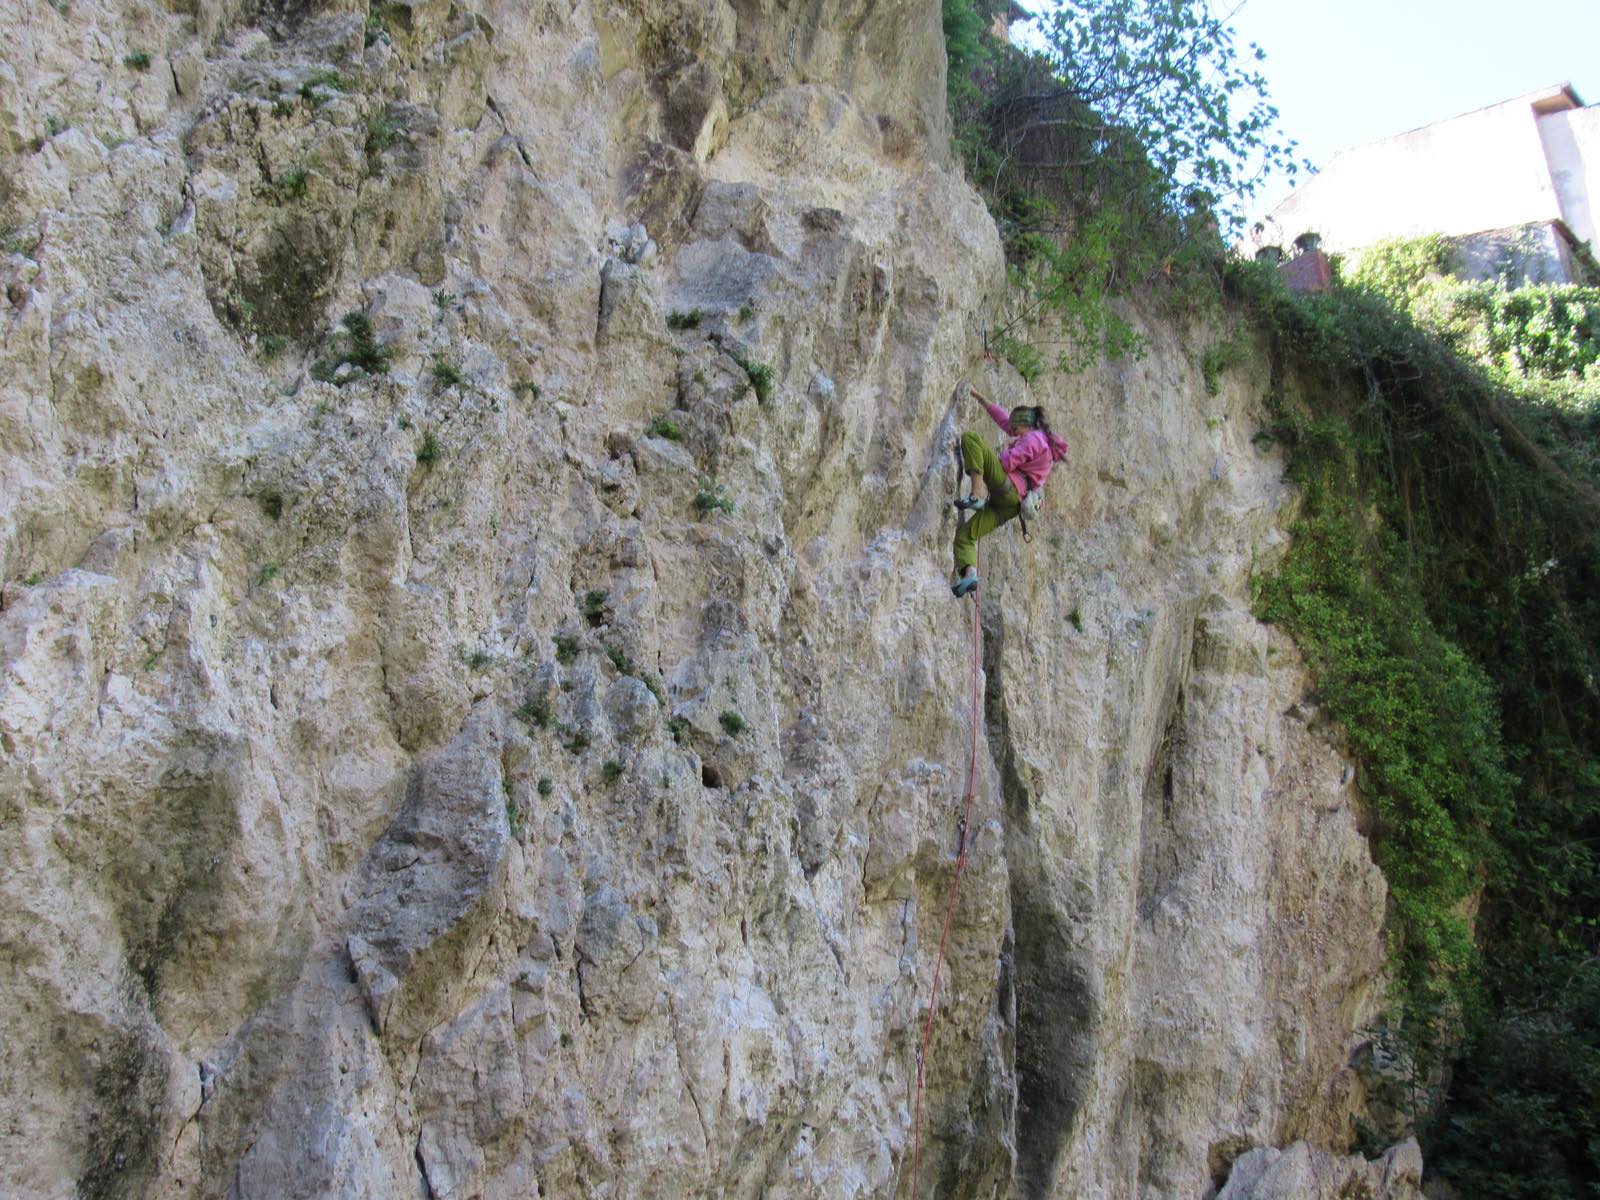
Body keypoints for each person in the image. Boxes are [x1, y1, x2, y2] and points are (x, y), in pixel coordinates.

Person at [951, 385, 1069, 597]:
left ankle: (976, 493)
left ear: (1024, 425)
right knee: (965, 536)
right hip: (1009, 508)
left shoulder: (1033, 440)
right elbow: (1003, 419)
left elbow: (1006, 464)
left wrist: (1006, 448)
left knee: (971, 438)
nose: (1012, 432)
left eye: (1015, 430)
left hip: (1009, 489)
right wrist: (980, 397)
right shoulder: (1037, 439)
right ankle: (969, 574)